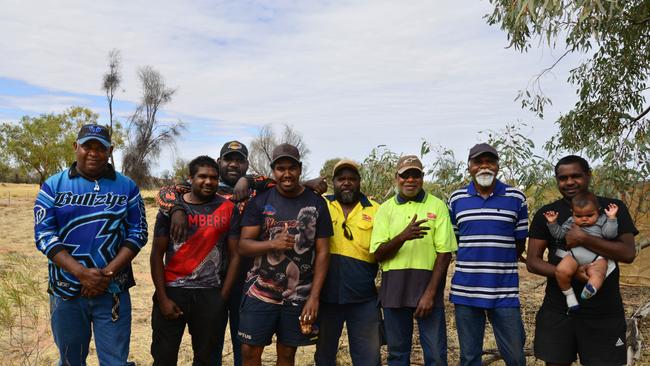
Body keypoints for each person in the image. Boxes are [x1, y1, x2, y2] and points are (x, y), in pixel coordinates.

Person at [156, 140, 326, 366]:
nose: (233, 165)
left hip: (247, 274)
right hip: (212, 277)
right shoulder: (206, 184)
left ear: (247, 164)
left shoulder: (258, 187)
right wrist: (176, 208)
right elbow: (166, 191)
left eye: (239, 160)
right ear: (219, 162)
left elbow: (284, 181)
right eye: (228, 159)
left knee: (244, 339)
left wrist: (305, 182)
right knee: (211, 339)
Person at [34, 124, 148, 366]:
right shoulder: (53, 186)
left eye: (101, 148)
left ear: (110, 151)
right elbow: (44, 235)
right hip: (66, 290)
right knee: (70, 360)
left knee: (115, 362)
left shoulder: (127, 187)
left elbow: (138, 232)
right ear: (76, 147)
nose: (93, 153)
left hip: (113, 289)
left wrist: (106, 274)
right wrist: (81, 273)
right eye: (87, 146)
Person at [527, 155, 638, 365]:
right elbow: (533, 261)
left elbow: (628, 253)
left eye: (576, 176)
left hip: (604, 312)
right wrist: (569, 273)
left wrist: (584, 238)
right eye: (563, 178)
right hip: (559, 310)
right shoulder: (547, 214)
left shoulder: (612, 209)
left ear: (588, 175)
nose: (569, 182)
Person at [237, 143, 333, 366]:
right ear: (273, 171)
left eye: (292, 168)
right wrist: (272, 244)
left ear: (300, 169)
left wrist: (314, 297)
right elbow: (243, 246)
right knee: (250, 350)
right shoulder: (260, 202)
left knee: (287, 353)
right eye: (281, 168)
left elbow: (323, 253)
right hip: (259, 292)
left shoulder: (317, 204)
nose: (287, 174)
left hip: (298, 294)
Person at [150, 156, 241, 365]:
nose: (208, 182)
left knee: (207, 358)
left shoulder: (228, 208)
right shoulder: (171, 209)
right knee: (163, 357)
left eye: (213, 177)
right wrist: (162, 298)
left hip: (210, 294)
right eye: (202, 176)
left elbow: (235, 255)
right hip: (173, 292)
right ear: (190, 178)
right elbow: (157, 254)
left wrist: (222, 298)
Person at [370, 155, 456, 366]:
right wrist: (402, 236)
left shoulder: (437, 206)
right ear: (396, 177)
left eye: (415, 175)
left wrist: (429, 294)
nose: (410, 180)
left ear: (422, 178)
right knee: (398, 355)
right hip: (394, 291)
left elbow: (444, 254)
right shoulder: (385, 209)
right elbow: (378, 254)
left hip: (428, 291)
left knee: (436, 354)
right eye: (404, 175)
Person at [447, 143, 528, 366]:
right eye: (478, 162)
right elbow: (455, 240)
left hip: (504, 290)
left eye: (490, 161)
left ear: (497, 166)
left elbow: (519, 243)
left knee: (515, 356)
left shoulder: (516, 197)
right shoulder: (456, 199)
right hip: (466, 290)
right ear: (469, 167)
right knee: (469, 357)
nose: (484, 166)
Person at [315, 159, 382, 366]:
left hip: (364, 298)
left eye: (351, 179)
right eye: (341, 178)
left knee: (368, 358)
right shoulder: (321, 203)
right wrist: (311, 183)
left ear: (359, 181)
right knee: (324, 357)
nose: (346, 183)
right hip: (327, 298)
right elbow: (290, 185)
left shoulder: (376, 210)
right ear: (333, 182)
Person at [544, 191, 618, 311]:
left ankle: (590, 288)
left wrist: (612, 218)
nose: (584, 219)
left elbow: (609, 234)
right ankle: (569, 295)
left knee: (599, 273)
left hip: (597, 257)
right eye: (578, 216)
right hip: (574, 256)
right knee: (561, 271)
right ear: (572, 213)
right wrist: (552, 223)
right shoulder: (570, 221)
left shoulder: (602, 220)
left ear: (598, 210)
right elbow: (559, 235)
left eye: (589, 215)